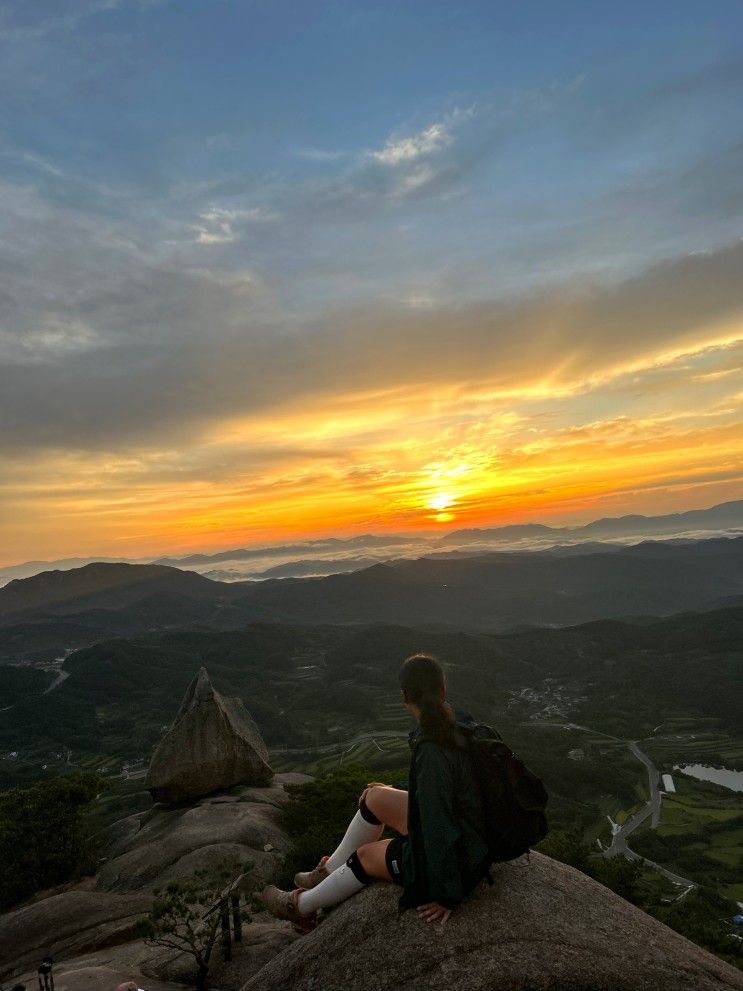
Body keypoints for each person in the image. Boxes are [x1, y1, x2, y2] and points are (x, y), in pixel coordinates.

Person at [261, 653, 489, 930]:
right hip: (467, 829)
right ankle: (329, 871)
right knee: (375, 797)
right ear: (443, 689)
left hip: (456, 852)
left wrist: (447, 895)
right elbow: (441, 790)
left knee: (365, 856)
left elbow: (438, 828)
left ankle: (300, 906)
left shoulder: (432, 748)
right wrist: (392, 789)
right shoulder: (458, 724)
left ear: (404, 697)